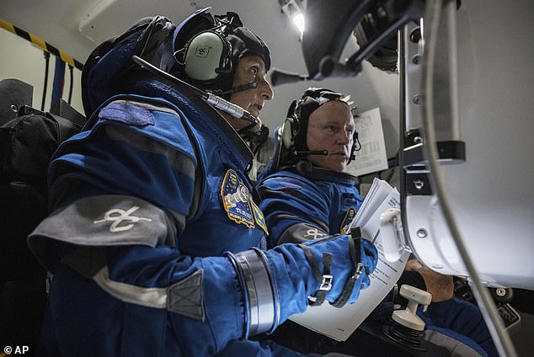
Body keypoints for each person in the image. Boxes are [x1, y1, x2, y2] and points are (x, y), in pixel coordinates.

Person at [27, 10, 378, 357]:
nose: (269, 91)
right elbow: (115, 304)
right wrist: (306, 271)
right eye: (255, 72)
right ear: (206, 64)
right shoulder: (149, 126)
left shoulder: (220, 162)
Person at [257, 88, 498, 357]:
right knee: (469, 353)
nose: (343, 139)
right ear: (296, 135)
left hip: (385, 302)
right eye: (331, 128)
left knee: (480, 322)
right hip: (343, 317)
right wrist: (409, 280)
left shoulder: (348, 192)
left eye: (349, 131)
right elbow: (310, 254)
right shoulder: (288, 187)